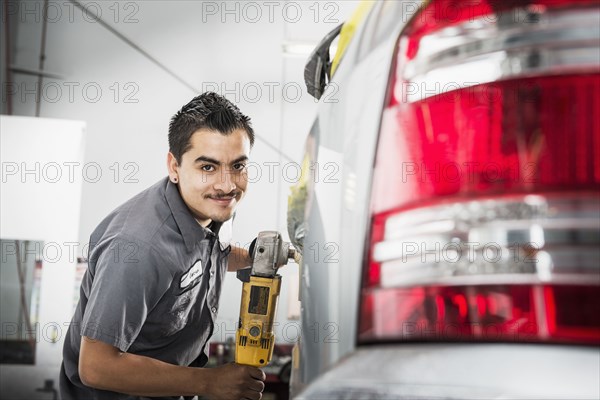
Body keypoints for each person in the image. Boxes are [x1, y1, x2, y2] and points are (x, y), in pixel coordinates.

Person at [60, 92, 266, 400]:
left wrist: (255, 257)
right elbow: (96, 367)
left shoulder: (210, 208)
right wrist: (208, 383)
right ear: (174, 166)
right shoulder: (137, 248)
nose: (227, 184)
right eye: (207, 168)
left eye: (238, 166)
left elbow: (209, 254)